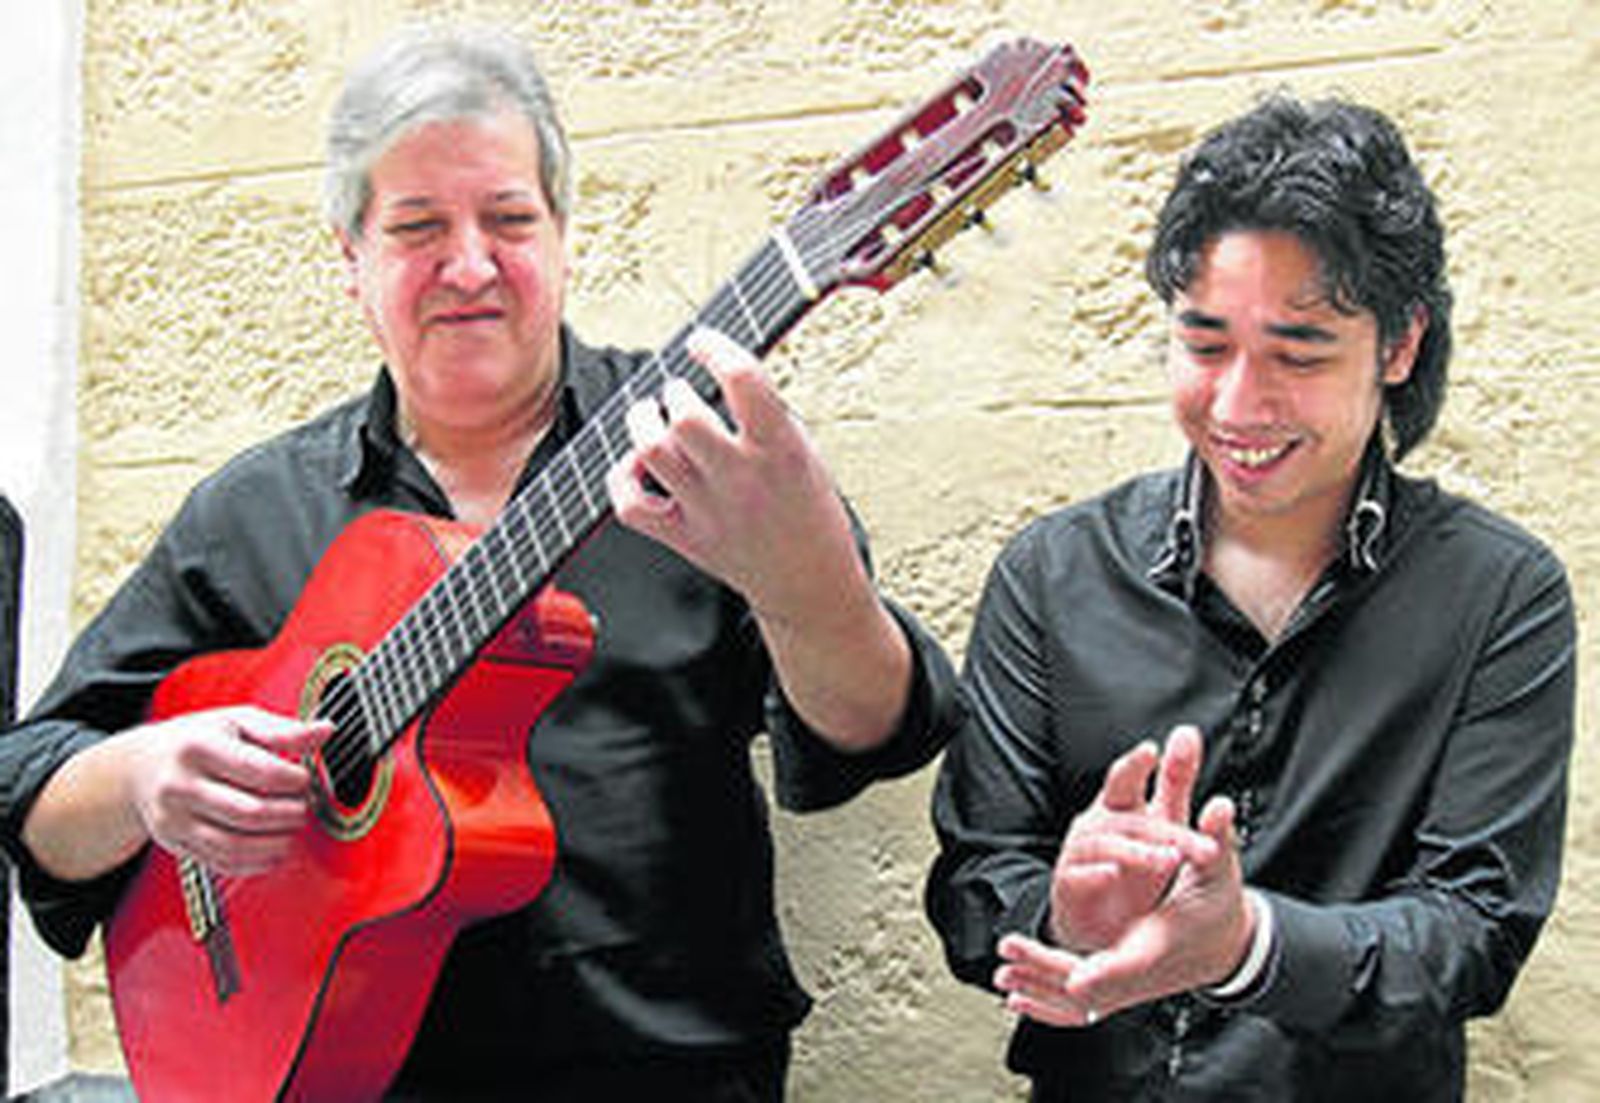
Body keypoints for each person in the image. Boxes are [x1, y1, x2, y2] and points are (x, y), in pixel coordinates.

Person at [0, 25, 962, 1101]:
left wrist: (805, 579)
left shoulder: (700, 450)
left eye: (509, 218)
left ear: (560, 233)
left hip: (665, 1074)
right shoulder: (253, 514)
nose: (470, 265)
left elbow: (881, 730)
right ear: (350, 256)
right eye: (417, 227)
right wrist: (141, 777)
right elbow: (30, 779)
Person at [925, 93, 1576, 1100]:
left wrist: (1245, 943)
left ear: (1398, 345)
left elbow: (1474, 931)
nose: (1237, 404)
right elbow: (975, 887)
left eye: (1297, 350)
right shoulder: (1051, 573)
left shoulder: (1499, 592)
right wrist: (1062, 912)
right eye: (1205, 343)